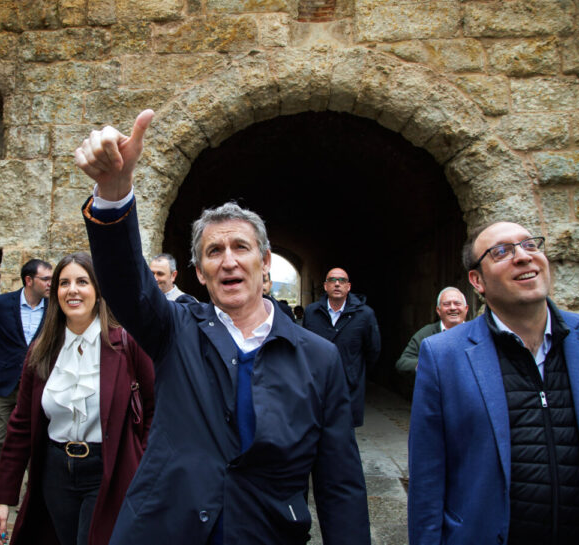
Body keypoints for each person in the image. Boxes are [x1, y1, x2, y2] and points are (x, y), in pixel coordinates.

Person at [75, 109, 369, 545]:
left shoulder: (318, 358)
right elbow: (126, 284)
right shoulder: (174, 330)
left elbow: (339, 483)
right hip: (166, 530)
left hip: (266, 532)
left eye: (240, 247)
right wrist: (113, 193)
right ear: (198, 270)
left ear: (264, 262)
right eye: (214, 251)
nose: (228, 260)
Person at [408, 221, 579, 545]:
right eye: (502, 252)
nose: (523, 256)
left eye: (530, 245)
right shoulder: (443, 355)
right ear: (477, 280)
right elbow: (428, 476)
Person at [0, 252, 155, 545]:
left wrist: (140, 463)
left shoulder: (127, 344)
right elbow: (20, 425)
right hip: (55, 472)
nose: (72, 290)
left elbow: (154, 410)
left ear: (98, 291)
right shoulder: (41, 350)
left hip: (110, 470)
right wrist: (4, 497)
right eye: (64, 283)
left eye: (82, 281)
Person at [0, 258, 52, 514]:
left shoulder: (54, 308)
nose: (51, 283)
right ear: (29, 281)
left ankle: (33, 492)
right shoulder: (1, 304)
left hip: (39, 384)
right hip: (4, 385)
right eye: (46, 279)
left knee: (36, 439)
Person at [303, 267, 381, 427]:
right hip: (317, 383)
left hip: (349, 385)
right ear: (325, 286)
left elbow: (373, 350)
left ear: (349, 286)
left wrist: (355, 372)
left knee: (343, 435)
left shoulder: (364, 314)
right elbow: (304, 346)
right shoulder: (312, 312)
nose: (337, 284)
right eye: (332, 280)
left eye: (342, 280)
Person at [395, 287, 468, 373]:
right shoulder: (426, 334)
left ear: (466, 309)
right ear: (438, 310)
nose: (452, 307)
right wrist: (427, 365)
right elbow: (402, 363)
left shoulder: (476, 332)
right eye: (446, 304)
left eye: (457, 303)